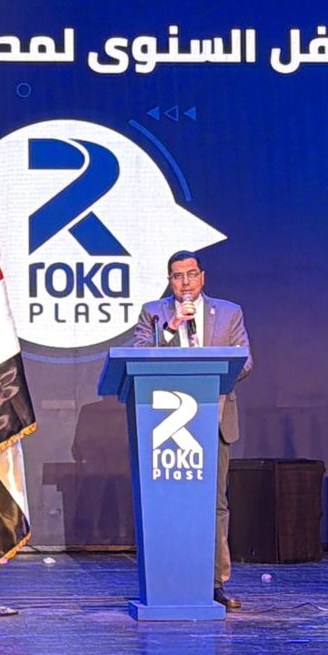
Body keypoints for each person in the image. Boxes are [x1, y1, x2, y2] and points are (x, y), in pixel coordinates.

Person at [132, 250, 253, 611]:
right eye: (177, 276)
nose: (185, 282)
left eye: (191, 274)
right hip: (164, 423)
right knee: (169, 501)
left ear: (203, 277)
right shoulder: (154, 313)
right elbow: (140, 353)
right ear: (169, 280)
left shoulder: (229, 312)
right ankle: (170, 580)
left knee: (215, 504)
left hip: (214, 418)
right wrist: (171, 328)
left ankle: (215, 583)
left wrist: (213, 372)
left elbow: (245, 360)